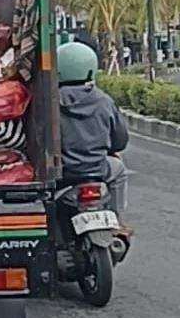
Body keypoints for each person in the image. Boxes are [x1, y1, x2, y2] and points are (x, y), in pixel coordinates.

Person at [56, 42, 130, 228]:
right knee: (119, 169)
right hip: (97, 169)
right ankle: (117, 221)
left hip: (61, 173)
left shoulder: (49, 101)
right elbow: (119, 141)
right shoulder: (103, 100)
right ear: (91, 70)